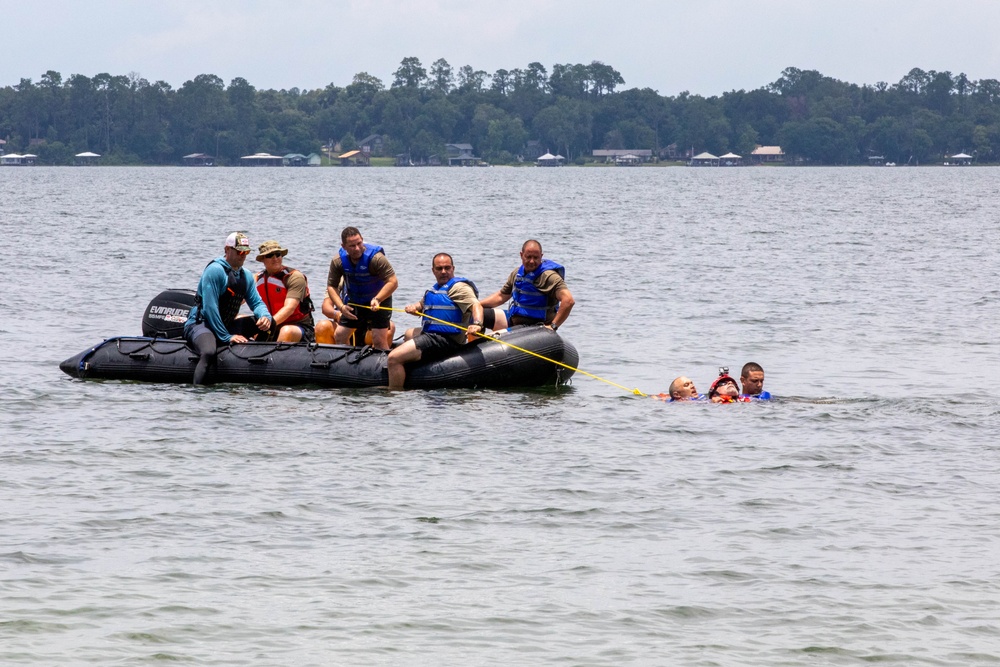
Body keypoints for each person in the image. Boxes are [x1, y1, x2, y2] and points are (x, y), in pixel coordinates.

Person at [184, 232, 272, 384]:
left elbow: (257, 303)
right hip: (201, 324)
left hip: (226, 324)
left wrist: (265, 317)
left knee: (270, 324)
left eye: (246, 252)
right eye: (239, 252)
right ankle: (197, 394)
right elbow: (210, 309)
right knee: (209, 352)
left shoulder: (246, 276)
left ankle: (253, 363)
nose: (243, 256)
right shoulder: (215, 271)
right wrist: (226, 337)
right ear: (227, 250)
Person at [386, 253, 484, 390]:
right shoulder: (436, 289)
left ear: (453, 268)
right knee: (409, 333)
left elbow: (476, 305)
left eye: (447, 268)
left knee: (393, 358)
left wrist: (477, 324)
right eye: (439, 269)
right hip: (433, 335)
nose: (443, 272)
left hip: (446, 340)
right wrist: (414, 307)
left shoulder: (459, 288)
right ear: (433, 271)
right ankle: (418, 370)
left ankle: (395, 393)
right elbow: (422, 305)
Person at [325, 226, 398, 350]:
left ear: (362, 239)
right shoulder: (338, 261)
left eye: (359, 243)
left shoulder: (376, 258)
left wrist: (378, 299)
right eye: (352, 246)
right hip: (355, 301)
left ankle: (385, 366)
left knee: (378, 340)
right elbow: (331, 286)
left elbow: (393, 282)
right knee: (340, 335)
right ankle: (346, 366)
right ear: (344, 246)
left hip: (378, 301)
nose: (357, 248)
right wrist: (341, 307)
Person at [479, 239, 574, 333]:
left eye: (536, 257)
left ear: (541, 256)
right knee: (479, 314)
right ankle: (472, 346)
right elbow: (501, 296)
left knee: (496, 337)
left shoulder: (549, 277)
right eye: (528, 257)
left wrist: (553, 326)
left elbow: (568, 301)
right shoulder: (517, 274)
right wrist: (478, 304)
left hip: (536, 326)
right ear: (521, 255)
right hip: (514, 320)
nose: (532, 261)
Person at [253, 240, 314, 343]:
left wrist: (269, 324)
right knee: (240, 320)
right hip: (271, 325)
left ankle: (273, 357)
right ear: (263, 259)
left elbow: (289, 308)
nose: (275, 258)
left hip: (298, 327)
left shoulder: (294, 277)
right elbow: (241, 299)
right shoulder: (256, 278)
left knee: (286, 331)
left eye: (278, 255)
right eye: (270, 255)